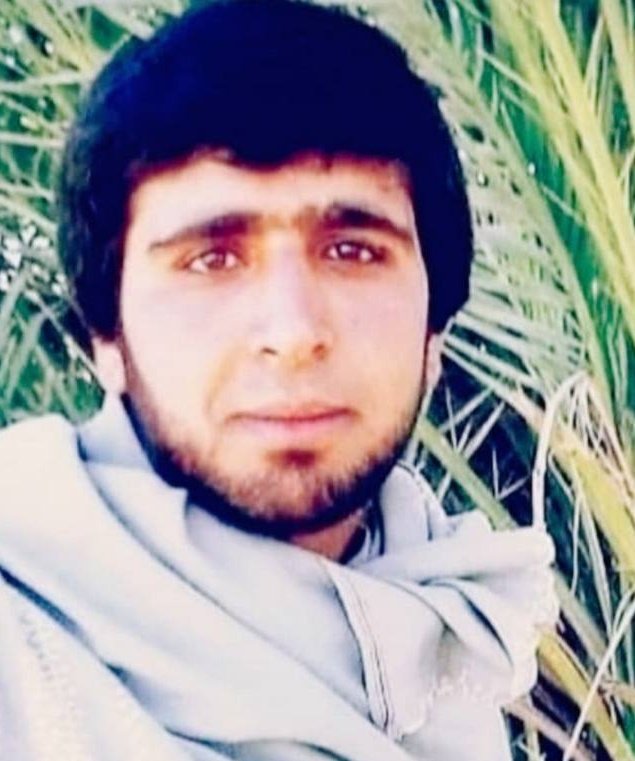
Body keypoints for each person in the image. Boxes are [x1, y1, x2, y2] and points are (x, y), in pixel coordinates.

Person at [0, 1, 557, 759]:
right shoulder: (26, 635)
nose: (293, 332)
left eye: (353, 251)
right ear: (107, 336)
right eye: (212, 259)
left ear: (435, 331)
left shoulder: (449, 638)